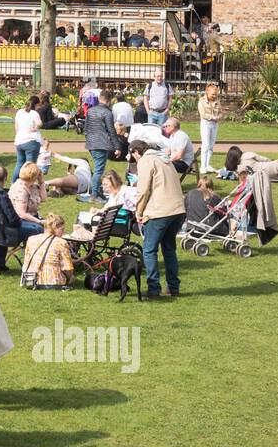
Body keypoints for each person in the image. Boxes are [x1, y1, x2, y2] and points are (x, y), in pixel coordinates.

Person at [130, 139, 186, 299]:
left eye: (133, 157)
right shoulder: (164, 159)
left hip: (159, 211)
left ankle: (154, 289)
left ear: (135, 152)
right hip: (178, 210)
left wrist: (138, 212)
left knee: (149, 250)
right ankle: (173, 287)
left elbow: (143, 190)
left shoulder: (146, 160)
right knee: (169, 249)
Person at [83, 89, 120, 199]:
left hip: (91, 143)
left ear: (99, 98)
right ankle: (95, 194)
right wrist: (117, 147)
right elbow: (111, 131)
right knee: (99, 170)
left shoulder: (90, 110)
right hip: (101, 143)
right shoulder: (107, 112)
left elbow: (85, 128)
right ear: (109, 100)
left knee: (98, 168)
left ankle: (97, 190)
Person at [21, 214, 74, 288]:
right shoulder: (61, 242)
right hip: (54, 281)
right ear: (55, 228)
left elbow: (26, 262)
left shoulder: (31, 239)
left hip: (31, 280)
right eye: (62, 229)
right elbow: (68, 268)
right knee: (72, 278)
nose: (63, 232)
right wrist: (70, 278)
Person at [8, 162, 46, 238]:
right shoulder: (21, 189)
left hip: (31, 218)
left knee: (54, 225)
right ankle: (33, 248)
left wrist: (42, 182)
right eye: (38, 174)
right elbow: (21, 214)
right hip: (19, 221)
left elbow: (43, 198)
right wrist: (39, 222)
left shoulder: (32, 185)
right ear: (35, 176)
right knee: (42, 229)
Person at [12, 94, 43, 182]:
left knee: (19, 164)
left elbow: (16, 127)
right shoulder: (34, 113)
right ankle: (28, 184)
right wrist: (35, 127)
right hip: (31, 141)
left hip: (19, 141)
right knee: (30, 166)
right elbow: (40, 123)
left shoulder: (19, 112)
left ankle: (14, 184)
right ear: (36, 105)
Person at [197, 82, 224, 173]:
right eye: (213, 94)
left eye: (216, 94)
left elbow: (221, 112)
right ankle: (202, 167)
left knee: (211, 145)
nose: (214, 96)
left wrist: (218, 117)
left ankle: (207, 165)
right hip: (206, 123)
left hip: (214, 124)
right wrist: (212, 117)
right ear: (207, 92)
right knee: (205, 145)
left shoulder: (217, 101)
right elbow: (202, 114)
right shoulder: (202, 101)